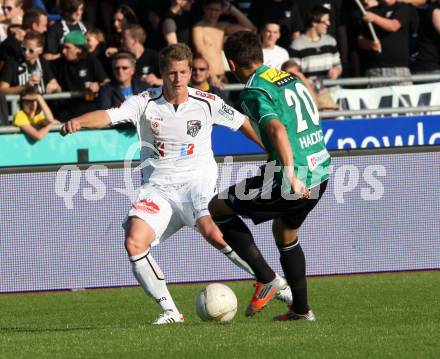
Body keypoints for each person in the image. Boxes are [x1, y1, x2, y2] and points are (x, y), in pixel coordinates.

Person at [60, 43, 292, 325]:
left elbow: (243, 122)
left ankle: (273, 282)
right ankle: (170, 311)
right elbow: (109, 115)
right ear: (162, 73)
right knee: (134, 242)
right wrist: (79, 122)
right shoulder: (144, 102)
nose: (178, 78)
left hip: (197, 182)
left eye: (184, 72)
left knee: (213, 232)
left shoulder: (207, 102)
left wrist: (269, 151)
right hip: (157, 188)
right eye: (172, 73)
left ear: (190, 71)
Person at [209, 31, 331, 320]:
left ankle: (267, 278)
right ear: (260, 56)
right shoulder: (287, 78)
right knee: (285, 231)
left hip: (292, 178)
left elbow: (276, 129)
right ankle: (301, 309)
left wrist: (289, 172)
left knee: (217, 207)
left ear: (232, 64)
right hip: (321, 170)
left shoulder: (253, 91)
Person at [192, 0, 255, 88]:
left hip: (222, 77)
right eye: (210, 9)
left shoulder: (222, 27)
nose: (213, 13)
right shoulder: (198, 27)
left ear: (221, 11)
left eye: (216, 10)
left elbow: (250, 30)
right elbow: (200, 52)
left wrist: (231, 9)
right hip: (207, 78)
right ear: (204, 9)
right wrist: (212, 75)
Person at [290, 6, 342, 80]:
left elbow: (338, 65)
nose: (328, 24)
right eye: (325, 21)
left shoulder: (331, 41)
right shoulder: (297, 45)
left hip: (333, 89)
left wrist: (336, 71)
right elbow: (295, 74)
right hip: (310, 90)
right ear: (314, 22)